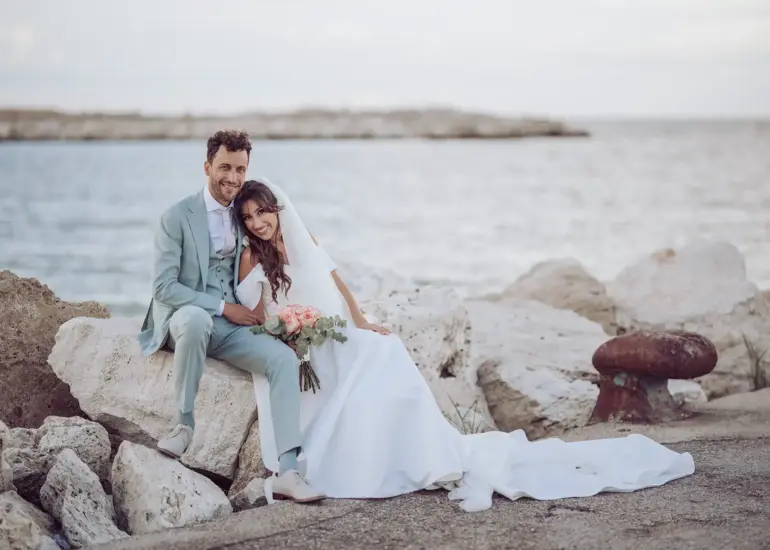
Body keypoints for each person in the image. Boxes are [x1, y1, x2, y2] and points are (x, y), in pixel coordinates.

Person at [232, 178, 696, 512]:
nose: (257, 222)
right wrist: (286, 331)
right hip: (305, 346)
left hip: (336, 330)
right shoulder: (252, 256)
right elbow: (255, 311)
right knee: (372, 363)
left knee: (384, 349)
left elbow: (339, 283)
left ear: (277, 208)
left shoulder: (304, 239)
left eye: (262, 212)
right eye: (248, 217)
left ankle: (422, 449)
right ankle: (384, 454)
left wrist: (363, 321)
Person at [138, 130, 326, 503]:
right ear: (207, 166)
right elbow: (163, 288)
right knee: (195, 320)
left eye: (240, 169)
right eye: (225, 167)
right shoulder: (175, 217)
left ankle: (288, 471)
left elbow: (273, 253)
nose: (233, 177)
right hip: (188, 319)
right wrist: (223, 308)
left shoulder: (244, 212)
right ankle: (183, 426)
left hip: (234, 330)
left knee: (284, 359)